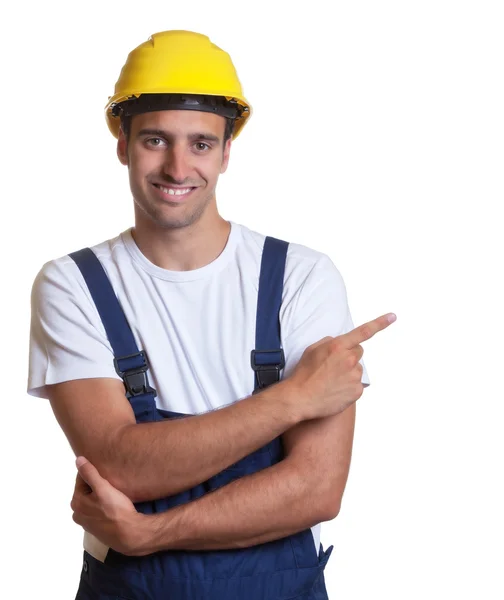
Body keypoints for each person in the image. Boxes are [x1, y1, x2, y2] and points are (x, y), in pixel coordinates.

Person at [27, 30, 396, 600]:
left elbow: (316, 489)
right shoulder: (72, 284)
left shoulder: (301, 276)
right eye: (155, 140)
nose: (178, 167)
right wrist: (294, 399)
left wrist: (149, 532)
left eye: (200, 144)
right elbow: (120, 466)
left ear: (227, 152)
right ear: (122, 144)